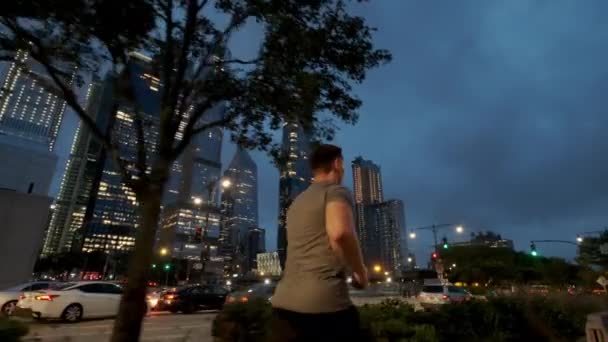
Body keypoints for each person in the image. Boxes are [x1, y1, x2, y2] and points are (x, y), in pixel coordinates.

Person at [270, 144, 369, 342]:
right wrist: (360, 271)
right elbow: (340, 232)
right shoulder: (335, 191)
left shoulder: (296, 203)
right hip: (323, 306)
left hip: (283, 307)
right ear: (337, 163)